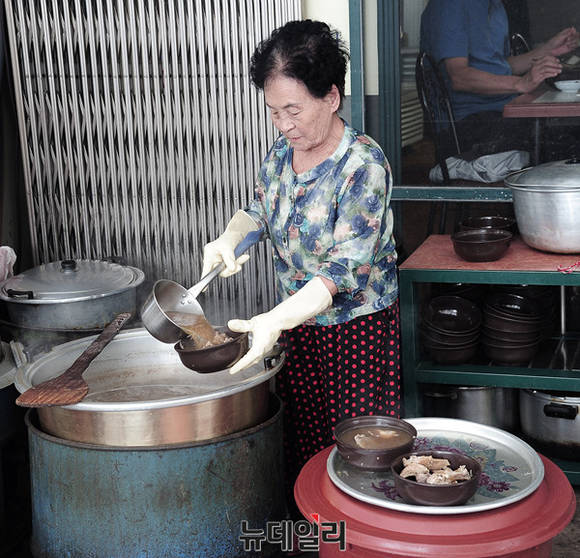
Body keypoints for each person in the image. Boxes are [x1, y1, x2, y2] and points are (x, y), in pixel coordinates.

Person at [201, 19, 400, 517]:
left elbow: (342, 273)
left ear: (331, 97)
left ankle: (360, 545)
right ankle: (312, 539)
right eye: (273, 112)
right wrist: (229, 237)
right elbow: (260, 210)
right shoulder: (282, 152)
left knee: (360, 453)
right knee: (303, 445)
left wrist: (272, 320)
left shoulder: (363, 166)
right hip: (299, 326)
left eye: (294, 110)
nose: (284, 124)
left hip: (359, 332)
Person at [420, 0, 580, 160]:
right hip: (467, 123)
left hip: (503, 112)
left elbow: (502, 66)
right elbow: (459, 76)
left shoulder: (495, 5)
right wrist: (521, 83)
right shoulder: (449, 5)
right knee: (566, 140)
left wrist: (550, 49)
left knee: (569, 129)